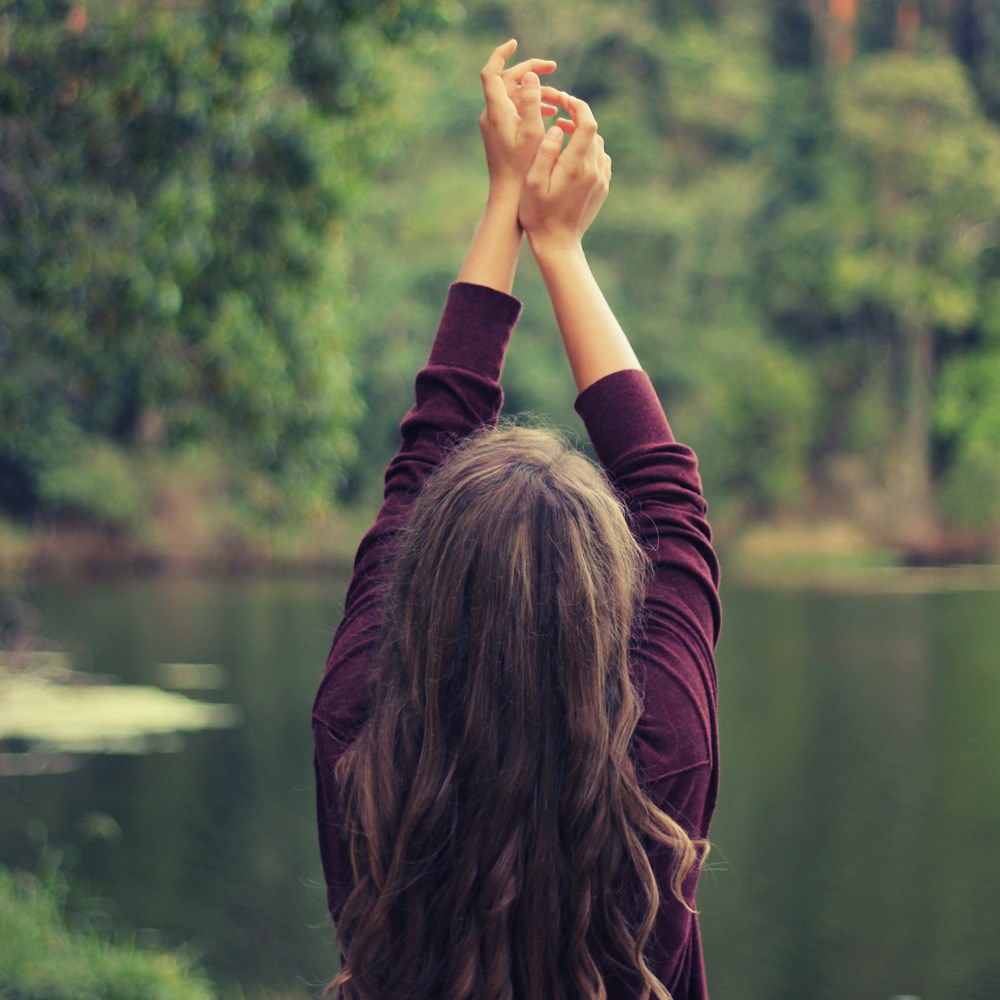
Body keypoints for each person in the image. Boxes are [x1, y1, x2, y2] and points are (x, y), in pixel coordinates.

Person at [313, 39, 721, 1000]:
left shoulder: (362, 751)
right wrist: (558, 242)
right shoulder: (660, 758)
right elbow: (668, 493)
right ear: (607, 598)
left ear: (424, 582)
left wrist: (507, 204)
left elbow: (426, 454)